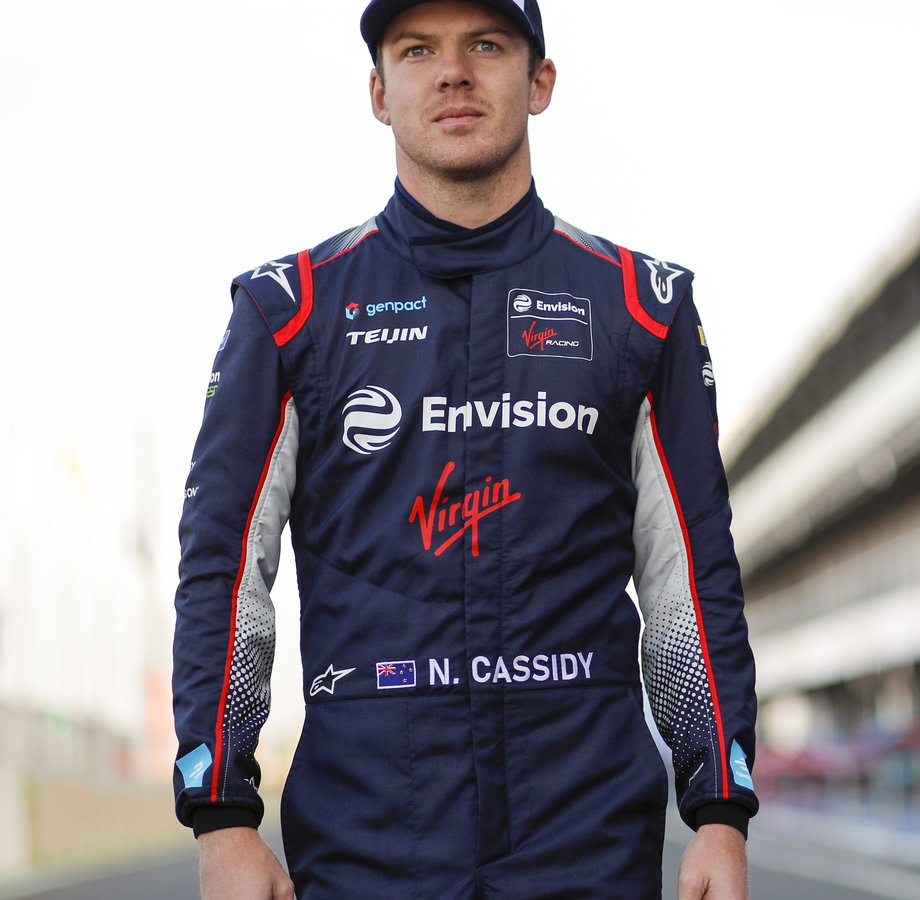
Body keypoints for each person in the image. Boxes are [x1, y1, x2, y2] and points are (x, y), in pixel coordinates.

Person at [169, 2, 758, 897]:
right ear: (379, 92)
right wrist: (221, 820)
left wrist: (718, 813)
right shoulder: (288, 310)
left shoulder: (643, 307)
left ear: (540, 81)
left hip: (588, 834)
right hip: (368, 836)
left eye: (486, 44)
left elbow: (690, 574)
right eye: (418, 50)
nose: (453, 72)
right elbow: (224, 568)